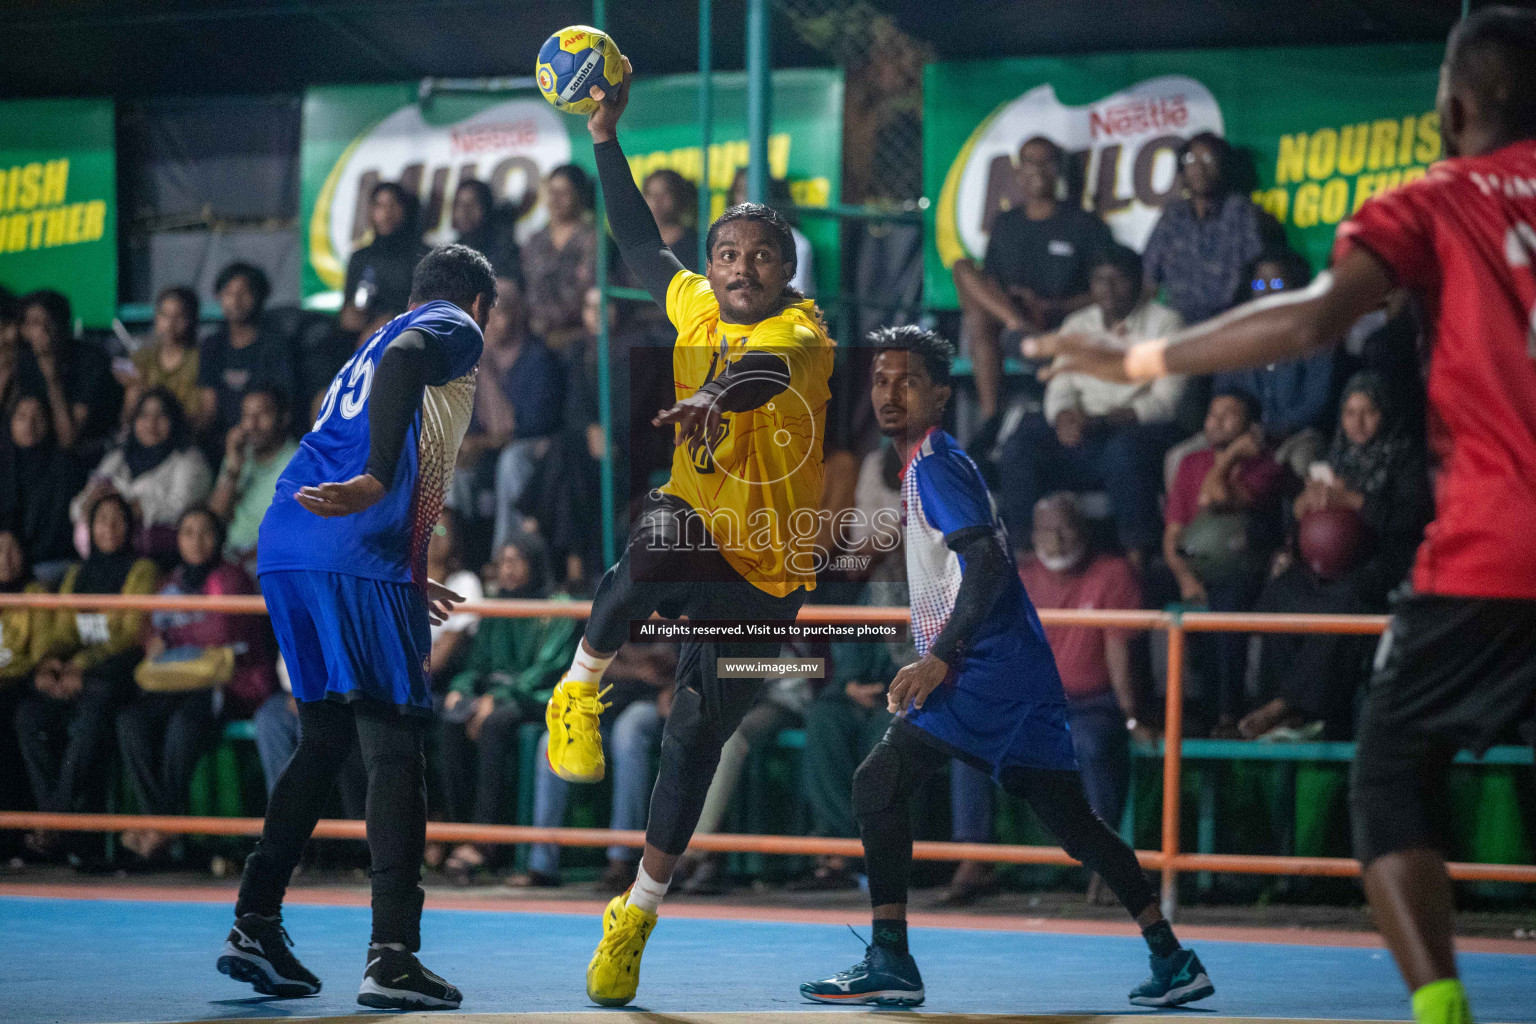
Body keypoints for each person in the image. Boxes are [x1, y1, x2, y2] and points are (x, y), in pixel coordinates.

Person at [1028, 12, 1536, 1022]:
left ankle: (1442, 1010)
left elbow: (1309, 318)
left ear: (1453, 105)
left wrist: (1138, 361)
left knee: (1390, 777)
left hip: (1499, 546)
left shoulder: (1439, 199)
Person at [801, 326, 1211, 1008]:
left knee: (876, 786)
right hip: (1009, 674)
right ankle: (1173, 958)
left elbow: (989, 563)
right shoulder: (932, 462)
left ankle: (892, 960)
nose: (889, 392)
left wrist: (939, 658)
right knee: (1074, 824)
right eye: (880, 380)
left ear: (940, 393)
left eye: (906, 380)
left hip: (981, 673)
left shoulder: (934, 465)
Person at [551, 60, 835, 1008]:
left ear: (786, 271)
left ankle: (635, 913)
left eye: (760, 255)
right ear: (710, 267)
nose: (742, 267)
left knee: (694, 740)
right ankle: (577, 689)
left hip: (771, 577)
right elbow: (636, 237)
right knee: (655, 542)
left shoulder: (804, 333)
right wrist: (603, 137)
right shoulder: (694, 303)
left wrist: (714, 390)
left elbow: (759, 377)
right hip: (696, 524)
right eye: (727, 255)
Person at [216, 244, 496, 1011]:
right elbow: (411, 360)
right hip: (350, 542)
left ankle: (255, 921)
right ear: (479, 306)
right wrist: (376, 483)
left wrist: (402, 562)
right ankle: (394, 954)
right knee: (396, 745)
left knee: (328, 735)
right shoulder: (448, 325)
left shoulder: (366, 344)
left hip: (291, 540)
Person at [1238, 372, 1431, 741]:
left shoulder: (1407, 458)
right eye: (1349, 413)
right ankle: (1278, 703)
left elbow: (1411, 519)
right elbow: (1315, 525)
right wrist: (1303, 512)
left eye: (1368, 412)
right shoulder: (1336, 457)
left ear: (1385, 414)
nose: (1357, 423)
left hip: (1384, 561)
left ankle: (1287, 705)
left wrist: (1355, 501)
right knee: (1283, 592)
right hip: (1331, 564)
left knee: (1348, 602)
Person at [998, 244, 1187, 556]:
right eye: (1100, 280)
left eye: (1118, 279)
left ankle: (1137, 555)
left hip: (1138, 428)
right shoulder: (1078, 324)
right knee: (1022, 442)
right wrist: (1063, 417)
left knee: (1124, 451)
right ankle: (1021, 553)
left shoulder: (1167, 324)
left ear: (1139, 282)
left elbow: (1166, 404)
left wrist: (1100, 421)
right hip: (1084, 428)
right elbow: (1060, 386)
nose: (1108, 289)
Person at [116, 507, 275, 861]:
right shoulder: (170, 582)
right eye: (187, 532)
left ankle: (161, 829)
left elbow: (221, 630)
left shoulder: (231, 578)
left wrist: (171, 637)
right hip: (177, 682)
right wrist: (156, 638)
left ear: (218, 538)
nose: (196, 540)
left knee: (183, 727)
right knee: (131, 722)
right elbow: (150, 629)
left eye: (205, 532)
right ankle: (160, 822)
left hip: (228, 682)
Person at [1019, 492, 1149, 901]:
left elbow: (1118, 651)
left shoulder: (1112, 573)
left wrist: (1132, 717)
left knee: (1089, 745)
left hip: (1093, 705)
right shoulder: (1020, 577)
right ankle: (973, 859)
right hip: (1034, 706)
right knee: (967, 740)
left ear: (1084, 530)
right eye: (1045, 530)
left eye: (1065, 528)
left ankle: (1107, 866)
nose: (1055, 539)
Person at [14, 494, 159, 860]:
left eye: (116, 520)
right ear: (89, 529)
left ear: (128, 527)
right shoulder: (77, 575)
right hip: (78, 675)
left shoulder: (141, 570)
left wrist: (85, 665)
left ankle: (55, 818)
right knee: (28, 716)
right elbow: (61, 631)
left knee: (91, 717)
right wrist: (50, 663)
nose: (108, 528)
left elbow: (129, 636)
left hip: (120, 675)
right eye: (101, 521)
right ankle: (57, 812)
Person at [436, 533, 577, 882]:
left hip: (541, 698)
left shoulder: (558, 606)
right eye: (503, 562)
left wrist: (496, 699)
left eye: (516, 561)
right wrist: (461, 688)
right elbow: (476, 664)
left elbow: (547, 671)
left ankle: (486, 843)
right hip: (496, 695)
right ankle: (460, 834)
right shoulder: (497, 605)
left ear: (535, 564)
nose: (507, 570)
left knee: (496, 724)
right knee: (450, 721)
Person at [951, 136, 1113, 420]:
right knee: (964, 271)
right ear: (1018, 171)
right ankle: (992, 417)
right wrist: (1013, 307)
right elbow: (990, 280)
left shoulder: (1083, 223)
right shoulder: (1006, 222)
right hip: (1013, 317)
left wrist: (1055, 306)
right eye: (1029, 162)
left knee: (979, 322)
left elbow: (1105, 291)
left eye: (1046, 162)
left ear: (1058, 169)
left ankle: (991, 418)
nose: (1037, 170)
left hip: (1060, 318)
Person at [1161, 389, 1284, 734]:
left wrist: (1230, 458)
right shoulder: (1190, 463)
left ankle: (1227, 712)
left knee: (1228, 600)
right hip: (1195, 566)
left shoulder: (1265, 468)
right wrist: (1184, 577)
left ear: (1250, 427)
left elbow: (1213, 498)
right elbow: (1172, 534)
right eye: (1212, 414)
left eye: (1228, 414)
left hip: (1243, 568)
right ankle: (1157, 710)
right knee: (1140, 588)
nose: (1215, 421)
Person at [519, 644, 676, 891]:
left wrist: (671, 684)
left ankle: (621, 861)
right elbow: (591, 655)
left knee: (628, 734)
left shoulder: (683, 607)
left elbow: (689, 658)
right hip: (604, 700)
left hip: (655, 701)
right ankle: (542, 864)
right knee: (551, 742)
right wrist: (635, 667)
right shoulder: (607, 607)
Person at [450, 270, 564, 552]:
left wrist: (483, 443)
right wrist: (464, 445)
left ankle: (507, 557)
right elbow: (468, 418)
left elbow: (535, 423)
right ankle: (456, 561)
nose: (494, 322)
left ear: (516, 315)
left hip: (532, 449)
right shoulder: (475, 360)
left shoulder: (537, 358)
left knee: (511, 464)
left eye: (501, 313)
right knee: (449, 468)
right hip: (488, 451)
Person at [1213, 251, 1338, 475]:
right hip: (1241, 434)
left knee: (1302, 461)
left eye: (1278, 283)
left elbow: (1316, 403)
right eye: (1260, 284)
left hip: (1298, 434)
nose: (1268, 291)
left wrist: (1272, 431)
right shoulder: (1239, 337)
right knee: (1180, 457)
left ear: (1296, 288)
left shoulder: (1314, 338)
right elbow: (1225, 391)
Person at [70, 388, 213, 566]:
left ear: (174, 421)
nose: (151, 423)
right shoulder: (117, 458)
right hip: (107, 559)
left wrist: (136, 508)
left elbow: (184, 510)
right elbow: (77, 508)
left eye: (161, 416)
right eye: (143, 415)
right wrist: (90, 504)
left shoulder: (189, 461)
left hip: (162, 561)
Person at [1141, 133, 1269, 328]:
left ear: (1224, 165)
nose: (1198, 168)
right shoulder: (1173, 214)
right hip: (1178, 326)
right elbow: (1149, 276)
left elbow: (1261, 276)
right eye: (1191, 159)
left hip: (1230, 324)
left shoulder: (1241, 212)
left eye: (1208, 159)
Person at [197, 262, 298, 444]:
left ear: (259, 297)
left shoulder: (275, 344)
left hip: (267, 439)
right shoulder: (211, 345)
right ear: (219, 296)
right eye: (228, 293)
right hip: (221, 440)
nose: (235, 301)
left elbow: (282, 404)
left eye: (244, 293)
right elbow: (208, 407)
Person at [16, 289, 122, 453]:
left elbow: (69, 437)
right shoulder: (24, 363)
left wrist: (53, 379)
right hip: (39, 452)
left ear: (63, 325)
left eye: (50, 322)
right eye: (35, 323)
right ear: (24, 330)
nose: (43, 330)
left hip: (89, 449)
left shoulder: (91, 359)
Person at [208, 387, 299, 567]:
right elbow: (216, 515)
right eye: (247, 416)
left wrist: (247, 557)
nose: (252, 425)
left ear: (284, 417)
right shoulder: (239, 455)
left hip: (274, 561)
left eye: (262, 415)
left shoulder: (298, 461)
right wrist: (233, 467)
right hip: (230, 557)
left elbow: (294, 532)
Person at [0, 394, 86, 583]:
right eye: (21, 417)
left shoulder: (63, 467)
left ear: (48, 422)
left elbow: (58, 532)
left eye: (37, 417)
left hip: (48, 563)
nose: (29, 425)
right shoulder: (4, 465)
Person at [523, 164, 598, 350]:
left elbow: (588, 291)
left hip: (580, 335)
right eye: (552, 192)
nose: (555, 200)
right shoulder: (535, 240)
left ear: (580, 196)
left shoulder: (592, 238)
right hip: (536, 335)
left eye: (564, 193)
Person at [340, 182, 429, 337]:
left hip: (405, 333)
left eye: (392, 205)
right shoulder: (360, 257)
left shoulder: (422, 256)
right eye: (380, 206)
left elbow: (427, 307)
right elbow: (350, 304)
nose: (386, 213)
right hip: (361, 333)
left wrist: (389, 323)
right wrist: (349, 314)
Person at [120, 286, 209, 431]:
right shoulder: (142, 358)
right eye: (164, 315)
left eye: (179, 316)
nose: (170, 324)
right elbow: (129, 412)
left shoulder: (201, 358)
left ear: (191, 319)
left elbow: (204, 413)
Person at [730, 168, 814, 296]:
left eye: (752, 191)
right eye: (741, 191)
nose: (746, 200)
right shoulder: (724, 240)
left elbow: (796, 298)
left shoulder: (798, 244)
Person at [451, 178, 516, 274]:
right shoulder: (451, 251)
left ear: (486, 209)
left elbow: (507, 286)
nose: (464, 212)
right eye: (460, 205)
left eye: (471, 205)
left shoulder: (504, 249)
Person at [643, 169, 700, 272]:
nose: (655, 202)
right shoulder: (637, 242)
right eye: (650, 194)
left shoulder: (695, 246)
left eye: (664, 194)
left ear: (678, 197)